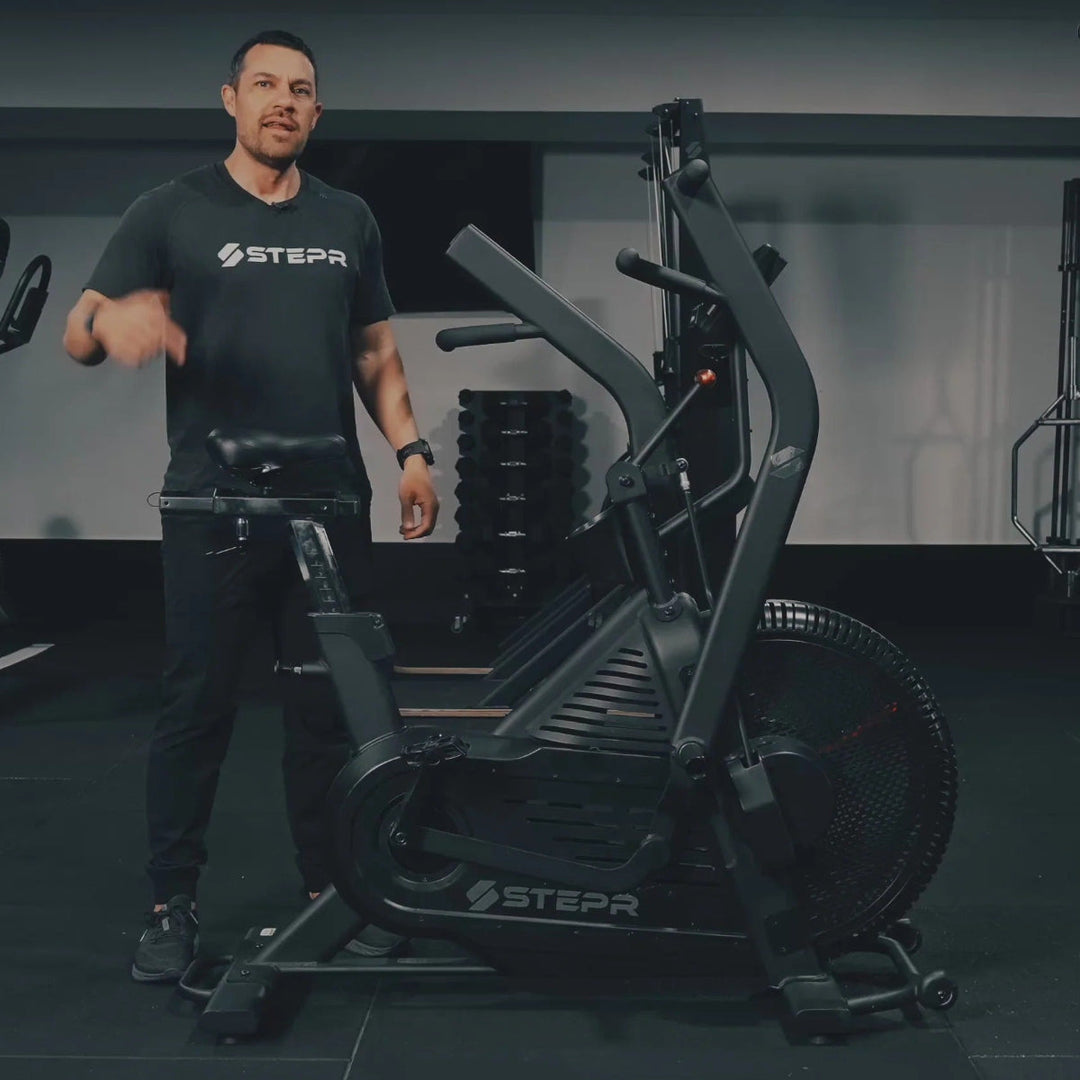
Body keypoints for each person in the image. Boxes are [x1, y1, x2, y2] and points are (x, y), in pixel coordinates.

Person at [61, 29, 439, 982]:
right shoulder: (172, 210)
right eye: (265, 84)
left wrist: (412, 452)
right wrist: (113, 319)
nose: (283, 100)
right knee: (197, 711)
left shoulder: (349, 217)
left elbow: (374, 354)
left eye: (301, 89)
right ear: (229, 98)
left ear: (317, 111)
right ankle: (171, 904)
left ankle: (336, 892)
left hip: (329, 506)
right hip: (212, 506)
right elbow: (77, 328)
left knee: (326, 713)